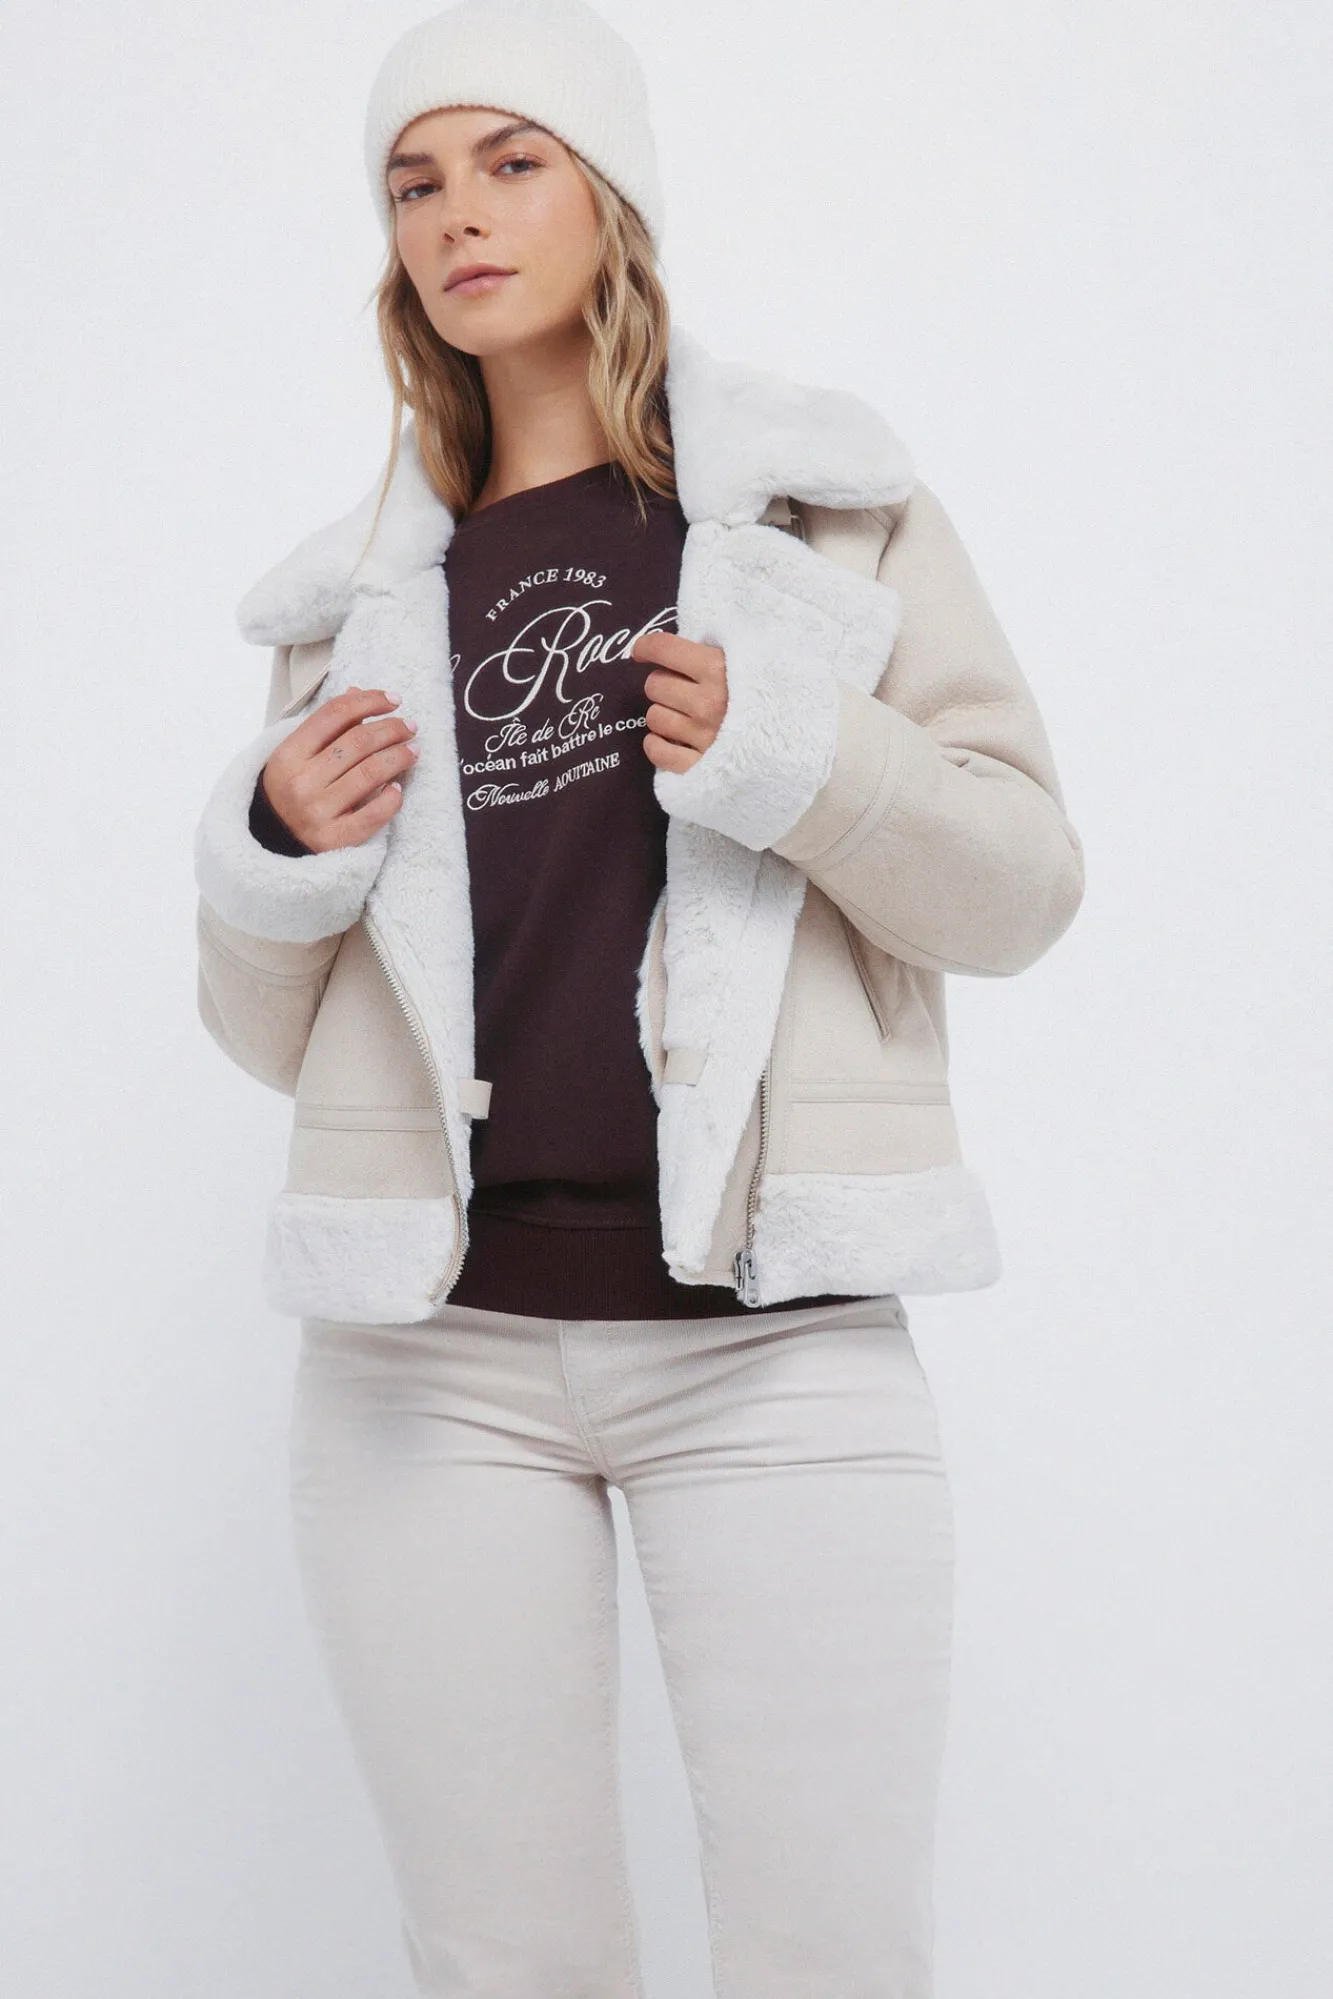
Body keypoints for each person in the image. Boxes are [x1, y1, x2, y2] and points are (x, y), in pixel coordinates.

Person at [191, 1, 1085, 1991]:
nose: (458, 214)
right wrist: (271, 850)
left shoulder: (818, 520)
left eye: (512, 162)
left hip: (779, 1353)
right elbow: (266, 1037)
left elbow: (1024, 884)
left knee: (832, 1955)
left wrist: (796, 751)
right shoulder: (346, 609)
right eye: (415, 182)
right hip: (429, 1376)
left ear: (613, 195)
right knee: (502, 1963)